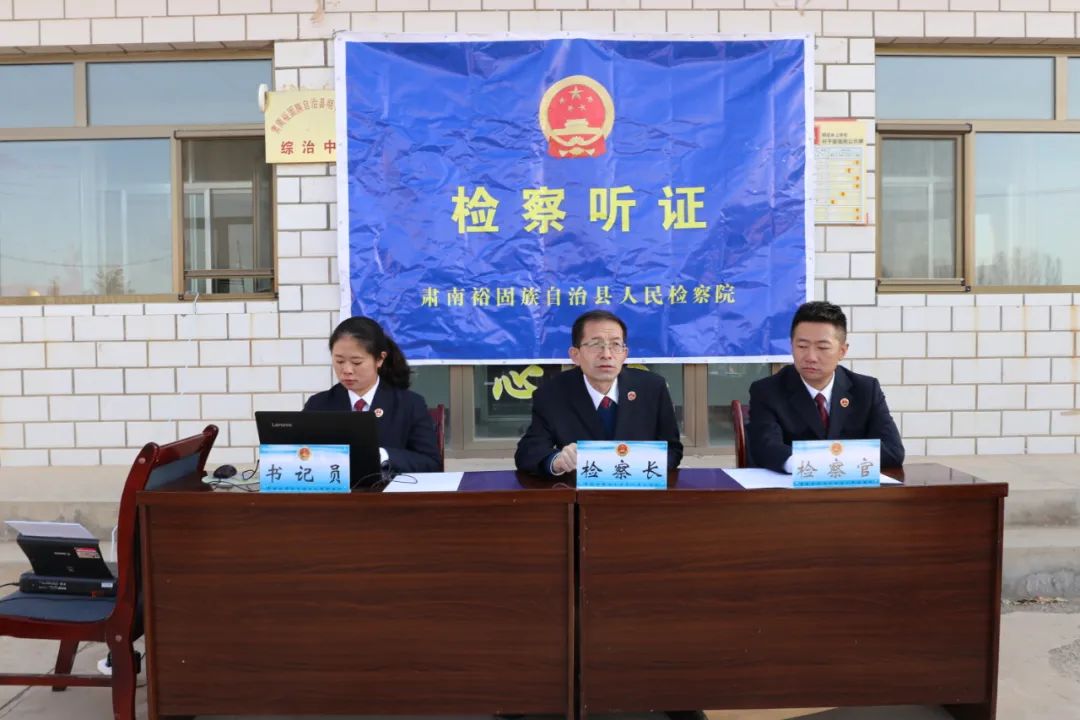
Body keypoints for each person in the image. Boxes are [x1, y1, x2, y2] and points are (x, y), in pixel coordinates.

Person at [515, 309, 683, 476]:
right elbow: (528, 452)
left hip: (638, 487)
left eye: (615, 345)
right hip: (579, 490)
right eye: (596, 345)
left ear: (624, 354)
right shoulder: (552, 394)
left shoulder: (652, 388)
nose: (607, 355)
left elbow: (672, 450)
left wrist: (641, 466)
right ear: (575, 355)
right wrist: (557, 461)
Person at [748, 300, 905, 473]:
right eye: (802, 346)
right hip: (792, 486)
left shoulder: (866, 390)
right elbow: (765, 448)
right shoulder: (767, 391)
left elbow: (892, 451)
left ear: (842, 351)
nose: (810, 357)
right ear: (791, 346)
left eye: (822, 347)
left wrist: (829, 462)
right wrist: (818, 464)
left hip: (851, 486)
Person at [304, 316, 441, 474]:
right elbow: (298, 456)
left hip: (389, 489)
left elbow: (431, 463)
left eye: (356, 362)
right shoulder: (318, 404)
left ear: (380, 359)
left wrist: (383, 455)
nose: (347, 370)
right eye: (339, 361)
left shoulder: (410, 404)